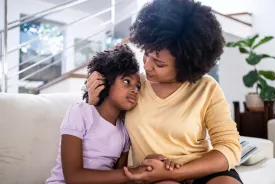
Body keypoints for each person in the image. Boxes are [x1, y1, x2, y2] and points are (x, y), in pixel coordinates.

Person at [87, 0, 243, 184]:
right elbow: (104, 136)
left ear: (186, 66)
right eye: (146, 54)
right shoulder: (132, 86)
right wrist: (95, 103)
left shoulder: (207, 88)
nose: (146, 65)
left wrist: (175, 173)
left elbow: (229, 146)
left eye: (159, 63)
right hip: (151, 176)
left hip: (199, 171)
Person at [47, 45, 179, 184]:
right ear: (106, 81)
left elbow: (118, 176)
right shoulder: (80, 113)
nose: (134, 90)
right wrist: (134, 171)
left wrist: (148, 165)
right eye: (127, 82)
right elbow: (73, 177)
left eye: (138, 87)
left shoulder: (124, 131)